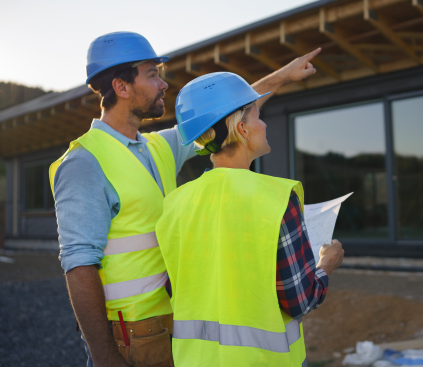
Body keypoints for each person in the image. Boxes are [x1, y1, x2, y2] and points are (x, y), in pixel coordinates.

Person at [49, 31, 322, 367]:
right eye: (152, 75)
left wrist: (283, 75)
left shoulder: (158, 147)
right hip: (131, 334)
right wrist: (104, 355)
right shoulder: (84, 162)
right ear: (121, 87)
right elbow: (78, 264)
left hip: (174, 324)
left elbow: (224, 117)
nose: (163, 85)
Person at [155, 72, 345, 366]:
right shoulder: (278, 197)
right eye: (259, 116)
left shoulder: (175, 203)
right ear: (242, 129)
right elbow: (301, 300)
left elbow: (175, 288)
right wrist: (326, 265)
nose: (265, 124)